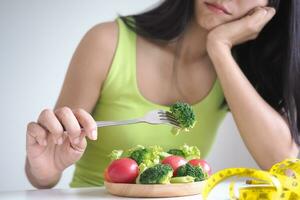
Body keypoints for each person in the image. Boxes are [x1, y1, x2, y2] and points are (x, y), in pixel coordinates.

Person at [25, 0, 300, 189]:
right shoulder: (106, 42)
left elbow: (287, 166)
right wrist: (46, 168)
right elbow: (45, 174)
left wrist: (219, 47)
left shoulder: (235, 69)